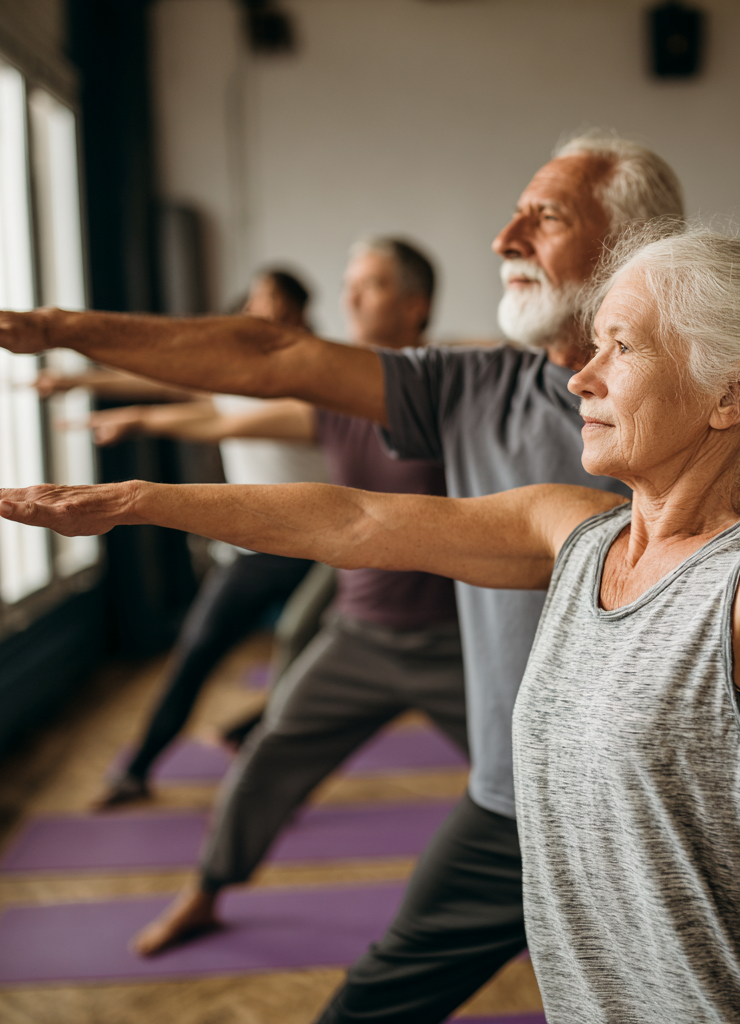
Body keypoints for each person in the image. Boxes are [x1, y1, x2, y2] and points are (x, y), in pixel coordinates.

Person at [0, 132, 740, 1021]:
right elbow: (355, 516)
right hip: (537, 839)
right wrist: (137, 500)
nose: (578, 376)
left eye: (617, 347)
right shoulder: (572, 526)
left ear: (730, 394)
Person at [95, 236, 471, 957]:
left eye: (370, 284)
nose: (349, 297)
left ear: (415, 305)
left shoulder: (457, 389)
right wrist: (139, 421)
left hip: (454, 643)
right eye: (349, 283)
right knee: (266, 763)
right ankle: (206, 891)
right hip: (357, 636)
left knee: (530, 773)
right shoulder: (331, 402)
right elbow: (226, 416)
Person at [95, 268, 323, 808]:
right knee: (196, 652)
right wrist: (81, 384)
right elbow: (165, 381)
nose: (261, 309)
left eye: (274, 300)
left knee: (318, 665)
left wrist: (143, 421)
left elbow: (223, 425)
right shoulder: (230, 375)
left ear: (297, 310)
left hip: (319, 546)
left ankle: (249, 736)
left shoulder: (319, 370)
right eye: (253, 299)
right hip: (250, 550)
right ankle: (138, 769)